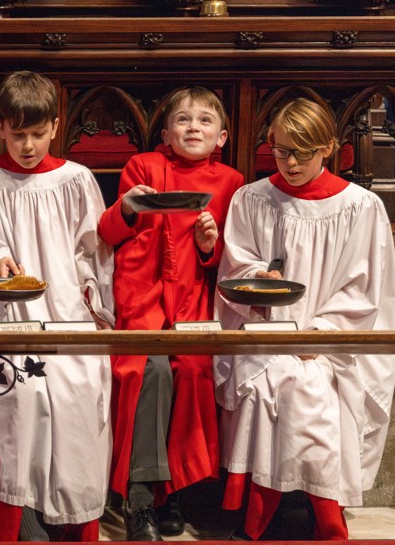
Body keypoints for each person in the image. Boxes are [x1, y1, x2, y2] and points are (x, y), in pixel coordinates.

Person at [214, 97, 395, 540]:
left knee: (308, 385)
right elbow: (236, 267)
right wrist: (260, 276)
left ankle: (258, 517)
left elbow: (362, 287)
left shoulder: (361, 206)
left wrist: (322, 332)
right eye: (280, 151)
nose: (291, 162)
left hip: (331, 338)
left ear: (329, 148)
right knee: (278, 383)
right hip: (264, 331)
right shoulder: (252, 199)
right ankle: (324, 518)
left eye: (303, 152)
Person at [0, 71, 115, 541]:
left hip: (67, 313)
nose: (28, 145)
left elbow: (91, 252)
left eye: (38, 133)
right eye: (18, 133)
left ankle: (76, 524)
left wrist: (94, 304)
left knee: (77, 393)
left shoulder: (77, 178)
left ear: (56, 126)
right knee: (20, 396)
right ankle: (15, 521)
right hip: (5, 316)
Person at [97, 87, 244, 540]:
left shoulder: (231, 181)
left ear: (221, 136)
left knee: (194, 370)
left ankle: (174, 492)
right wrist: (127, 206)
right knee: (151, 371)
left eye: (203, 121)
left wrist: (208, 247)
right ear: (165, 133)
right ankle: (141, 497)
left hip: (193, 302)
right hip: (141, 296)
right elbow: (109, 233)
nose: (193, 127)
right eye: (182, 120)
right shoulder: (144, 167)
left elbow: (231, 257)